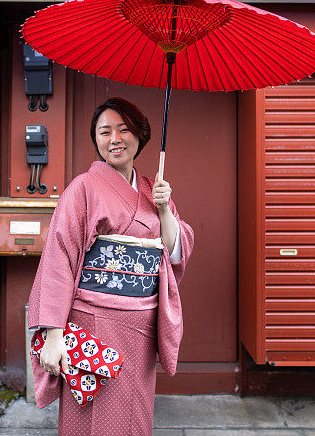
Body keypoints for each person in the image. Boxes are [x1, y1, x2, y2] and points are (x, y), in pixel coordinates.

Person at [27, 97, 194, 436]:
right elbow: (59, 259)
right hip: (92, 324)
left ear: (140, 136)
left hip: (140, 325)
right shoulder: (83, 188)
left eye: (124, 130)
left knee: (134, 413)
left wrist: (164, 211)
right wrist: (54, 335)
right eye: (105, 132)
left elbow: (176, 253)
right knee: (88, 416)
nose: (115, 139)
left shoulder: (153, 191)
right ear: (96, 141)